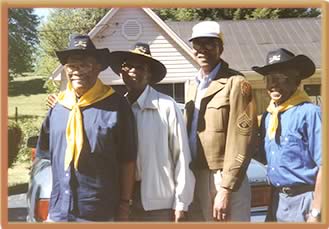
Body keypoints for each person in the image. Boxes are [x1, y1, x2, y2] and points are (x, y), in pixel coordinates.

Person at [36, 34, 137, 222]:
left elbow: (128, 160)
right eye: (72, 66)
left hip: (98, 212)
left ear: (98, 68)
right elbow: (44, 156)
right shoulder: (58, 108)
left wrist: (124, 204)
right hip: (59, 212)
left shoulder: (117, 106)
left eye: (85, 65)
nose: (77, 71)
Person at [108, 42, 195, 222]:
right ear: (120, 72)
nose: (133, 71)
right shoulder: (115, 108)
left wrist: (181, 203)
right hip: (122, 202)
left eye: (140, 67)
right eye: (128, 66)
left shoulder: (166, 106)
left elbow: (182, 157)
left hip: (159, 204)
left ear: (149, 74)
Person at [185, 21, 257, 222]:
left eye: (210, 44)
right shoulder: (193, 85)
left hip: (222, 176)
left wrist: (226, 188)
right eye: (198, 45)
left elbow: (244, 138)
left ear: (221, 48)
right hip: (195, 174)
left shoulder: (236, 83)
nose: (203, 50)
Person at [252, 48, 322, 223]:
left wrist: (316, 211)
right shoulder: (268, 117)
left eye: (281, 78)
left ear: (296, 81)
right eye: (269, 79)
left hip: (305, 200)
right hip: (277, 202)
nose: (273, 85)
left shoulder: (310, 113)